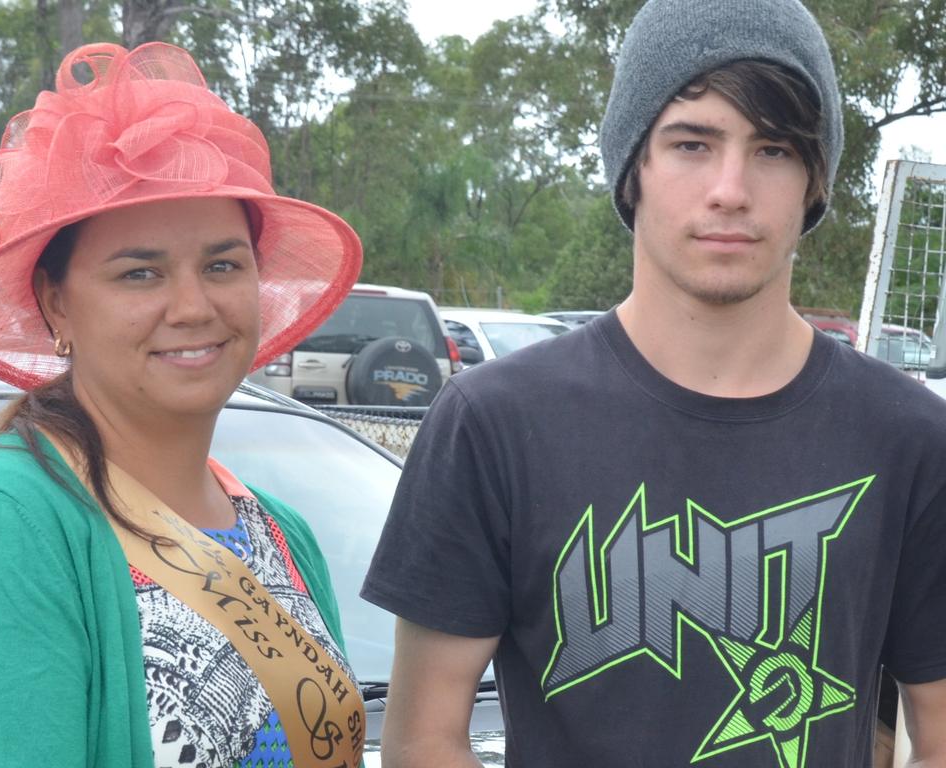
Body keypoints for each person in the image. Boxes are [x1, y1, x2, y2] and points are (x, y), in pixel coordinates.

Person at [360, 0, 946, 766]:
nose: (730, 189)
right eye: (693, 143)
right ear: (632, 164)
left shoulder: (908, 437)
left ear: (814, 180)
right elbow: (423, 740)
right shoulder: (493, 421)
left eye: (773, 149)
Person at [0, 42, 366, 768]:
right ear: (55, 303)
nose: (193, 306)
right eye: (140, 273)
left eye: (223, 265)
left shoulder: (283, 535)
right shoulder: (1, 524)